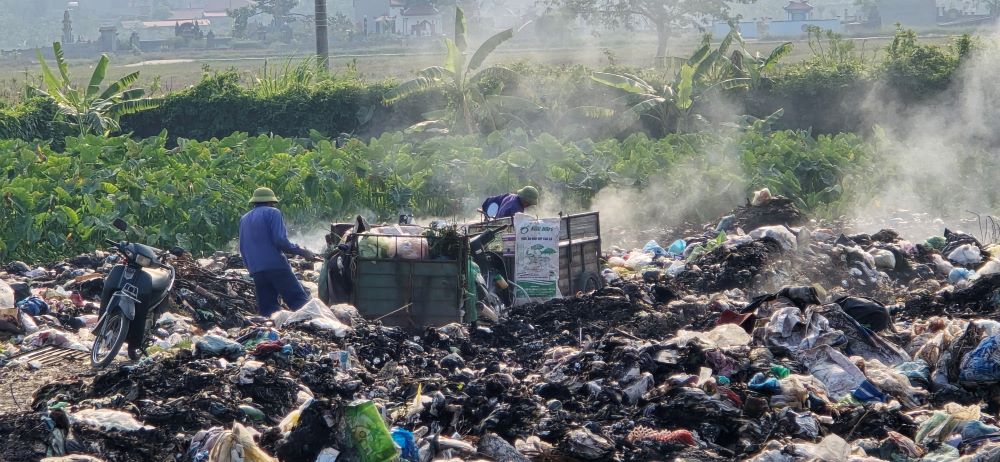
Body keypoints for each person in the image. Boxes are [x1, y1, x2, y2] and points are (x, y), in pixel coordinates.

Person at [239, 187, 316, 317]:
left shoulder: (244, 219)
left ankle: (273, 334)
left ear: (254, 202)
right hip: (276, 266)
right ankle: (316, 325)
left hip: (256, 269)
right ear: (271, 202)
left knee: (268, 310)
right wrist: (303, 252)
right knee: (299, 301)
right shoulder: (273, 213)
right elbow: (280, 240)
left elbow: (242, 247)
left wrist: (251, 268)